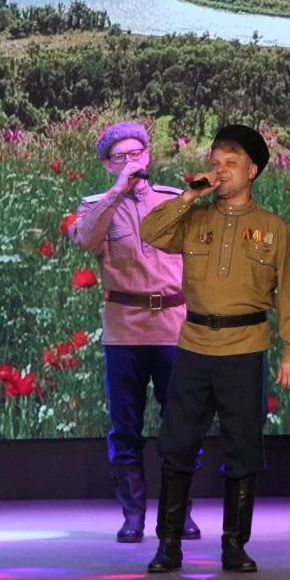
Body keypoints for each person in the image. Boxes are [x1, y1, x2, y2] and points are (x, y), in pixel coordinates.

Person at [139, 124, 290, 573]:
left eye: (231, 164)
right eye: (215, 163)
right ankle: (168, 544)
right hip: (194, 346)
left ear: (252, 171)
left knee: (242, 447)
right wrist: (190, 195)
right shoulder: (194, 218)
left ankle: (234, 545)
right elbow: (151, 232)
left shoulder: (274, 230)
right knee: (177, 444)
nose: (221, 171)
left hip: (245, 348)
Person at [67, 121, 200, 543]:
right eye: (120, 157)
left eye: (136, 154)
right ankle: (133, 515)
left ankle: (180, 513)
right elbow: (84, 240)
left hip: (174, 328)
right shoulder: (96, 206)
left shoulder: (173, 201)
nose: (131, 162)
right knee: (126, 426)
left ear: (148, 155)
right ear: (108, 165)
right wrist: (115, 193)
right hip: (124, 330)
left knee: (180, 424)